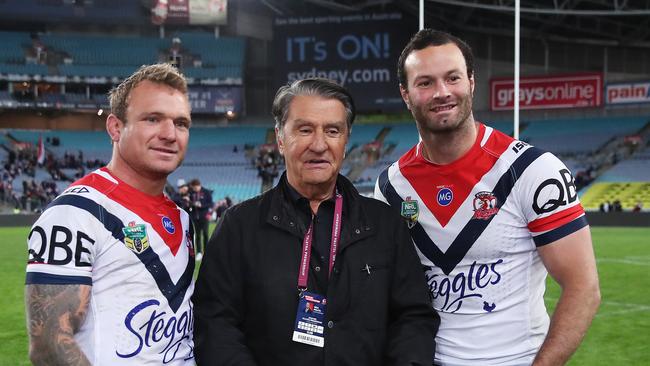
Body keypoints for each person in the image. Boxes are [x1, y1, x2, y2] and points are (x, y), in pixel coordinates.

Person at [374, 29, 600, 366]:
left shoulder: (533, 170)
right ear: (406, 94)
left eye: (453, 78)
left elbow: (583, 288)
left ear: (471, 82)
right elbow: (384, 292)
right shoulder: (391, 186)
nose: (442, 92)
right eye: (425, 83)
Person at [193, 78, 438, 366]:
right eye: (305, 129)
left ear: (346, 141)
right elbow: (215, 324)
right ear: (280, 138)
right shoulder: (238, 227)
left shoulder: (385, 225)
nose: (319, 144)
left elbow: (413, 319)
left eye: (332, 130)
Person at [25, 63, 196, 365]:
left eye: (181, 123)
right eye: (153, 119)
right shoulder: (74, 214)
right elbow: (50, 347)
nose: (170, 134)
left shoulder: (181, 218)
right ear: (115, 127)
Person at [188, 178, 213, 260]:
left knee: (205, 234)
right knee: (197, 235)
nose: (194, 189)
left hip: (204, 217)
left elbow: (210, 204)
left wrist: (201, 205)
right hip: (195, 217)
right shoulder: (191, 193)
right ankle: (199, 252)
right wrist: (192, 204)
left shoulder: (206, 192)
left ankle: (207, 251)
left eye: (195, 188)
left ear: (199, 185)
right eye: (193, 188)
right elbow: (190, 204)